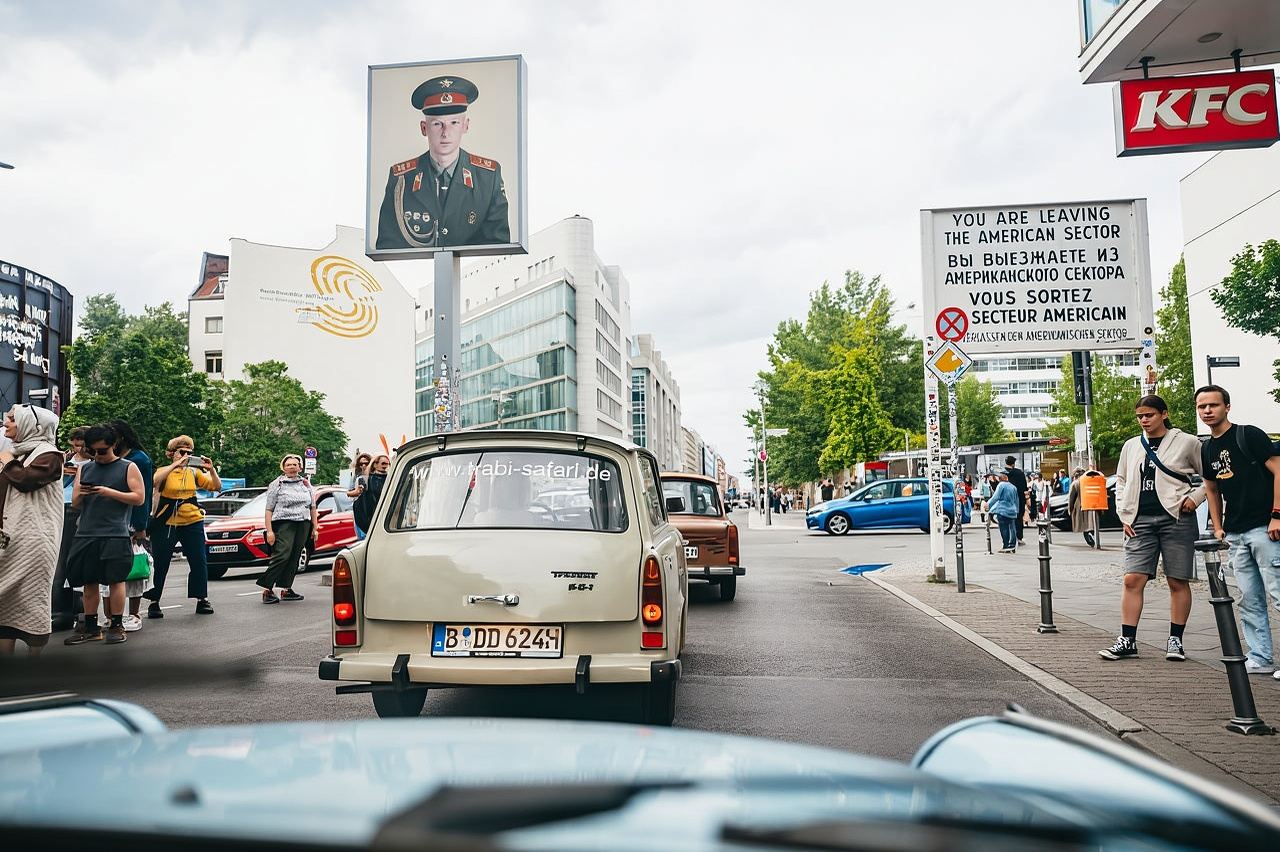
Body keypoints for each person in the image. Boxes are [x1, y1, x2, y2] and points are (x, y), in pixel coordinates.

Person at [1099, 395, 1205, 663]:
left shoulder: (1187, 442)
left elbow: (1210, 477)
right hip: (1140, 520)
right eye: (1140, 416)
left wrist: (1195, 498)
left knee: (1177, 580)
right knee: (1132, 578)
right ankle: (1127, 640)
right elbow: (1121, 480)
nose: (1144, 420)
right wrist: (1124, 514)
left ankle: (1175, 639)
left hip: (1176, 518)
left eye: (1149, 415)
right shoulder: (1132, 445)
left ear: (1164, 414)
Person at [1196, 384, 1280, 678]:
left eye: (1213, 405)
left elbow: (1279, 470)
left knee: (1278, 593)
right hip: (1236, 533)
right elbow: (1211, 488)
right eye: (1202, 407)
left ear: (1227, 407)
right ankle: (1260, 657)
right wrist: (1218, 527)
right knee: (1249, 598)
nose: (1207, 411)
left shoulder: (1249, 434)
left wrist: (1277, 516)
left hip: (1266, 528)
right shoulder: (1206, 447)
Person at [375, 75, 510, 250]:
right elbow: (388, 247)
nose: (446, 133)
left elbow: (498, 248)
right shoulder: (401, 178)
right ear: (424, 128)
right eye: (437, 124)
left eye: (454, 123)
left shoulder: (488, 177)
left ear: (465, 126)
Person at [64, 424, 146, 646]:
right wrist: (81, 492)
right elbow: (76, 503)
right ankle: (91, 627)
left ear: (114, 445)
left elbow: (139, 498)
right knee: (88, 580)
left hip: (115, 533)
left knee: (115, 580)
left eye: (103, 451)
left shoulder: (128, 467)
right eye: (93, 451)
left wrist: (107, 492)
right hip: (86, 532)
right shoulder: (86, 468)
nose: (98, 456)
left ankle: (116, 624)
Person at [0, 405, 65, 655]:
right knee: (6, 601)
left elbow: (27, 481)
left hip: (35, 541)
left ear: (31, 425)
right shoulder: (15, 453)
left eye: (12, 419)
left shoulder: (50, 455)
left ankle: (33, 663)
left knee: (31, 597)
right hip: (10, 538)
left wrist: (7, 464)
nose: (6, 423)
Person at [145, 435, 221, 618]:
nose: (186, 455)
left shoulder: (194, 473)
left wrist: (211, 470)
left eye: (189, 453)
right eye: (182, 452)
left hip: (191, 520)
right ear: (171, 453)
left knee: (198, 560)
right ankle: (154, 601)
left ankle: (201, 599)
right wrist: (176, 464)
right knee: (161, 562)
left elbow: (216, 487)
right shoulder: (164, 470)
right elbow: (155, 482)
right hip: (166, 520)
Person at [105, 420, 152, 632]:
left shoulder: (139, 460)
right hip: (112, 520)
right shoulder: (110, 459)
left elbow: (144, 495)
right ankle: (111, 616)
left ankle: (133, 613)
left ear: (121, 437)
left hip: (131, 521)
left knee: (135, 567)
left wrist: (140, 525)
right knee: (111, 570)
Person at [258, 454, 318, 604]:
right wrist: (270, 531)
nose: (292, 467)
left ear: (300, 467)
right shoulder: (277, 484)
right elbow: (269, 509)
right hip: (284, 523)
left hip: (303, 523)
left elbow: (312, 507)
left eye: (295, 464)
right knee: (283, 554)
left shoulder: (306, 484)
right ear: (283, 467)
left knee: (295, 555)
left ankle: (286, 588)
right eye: (288, 465)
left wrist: (315, 528)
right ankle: (267, 588)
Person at [350, 453, 390, 540]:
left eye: (388, 464)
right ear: (375, 464)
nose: (386, 466)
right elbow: (358, 501)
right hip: (369, 520)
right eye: (383, 463)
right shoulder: (363, 479)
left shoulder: (391, 478)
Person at [986, 472, 1020, 552]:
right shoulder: (1013, 487)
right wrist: (1017, 510)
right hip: (1012, 510)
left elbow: (996, 497)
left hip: (1002, 510)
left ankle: (1006, 545)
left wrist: (988, 504)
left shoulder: (1001, 485)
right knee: (1012, 528)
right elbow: (1016, 499)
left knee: (1004, 528)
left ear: (1000, 479)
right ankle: (1012, 545)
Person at [1003, 456, 1028, 545]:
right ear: (1013, 463)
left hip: (1006, 500)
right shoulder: (1019, 473)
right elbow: (1025, 487)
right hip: (1019, 499)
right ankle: (1018, 537)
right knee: (1018, 518)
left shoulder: (1003, 474)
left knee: (1007, 520)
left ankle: (1009, 539)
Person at [1067, 468, 1093, 547]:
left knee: (1083, 524)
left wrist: (1070, 509)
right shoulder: (1088, 481)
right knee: (1089, 522)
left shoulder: (1075, 483)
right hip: (1090, 505)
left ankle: (1088, 536)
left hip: (1079, 506)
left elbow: (1071, 498)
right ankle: (1091, 533)